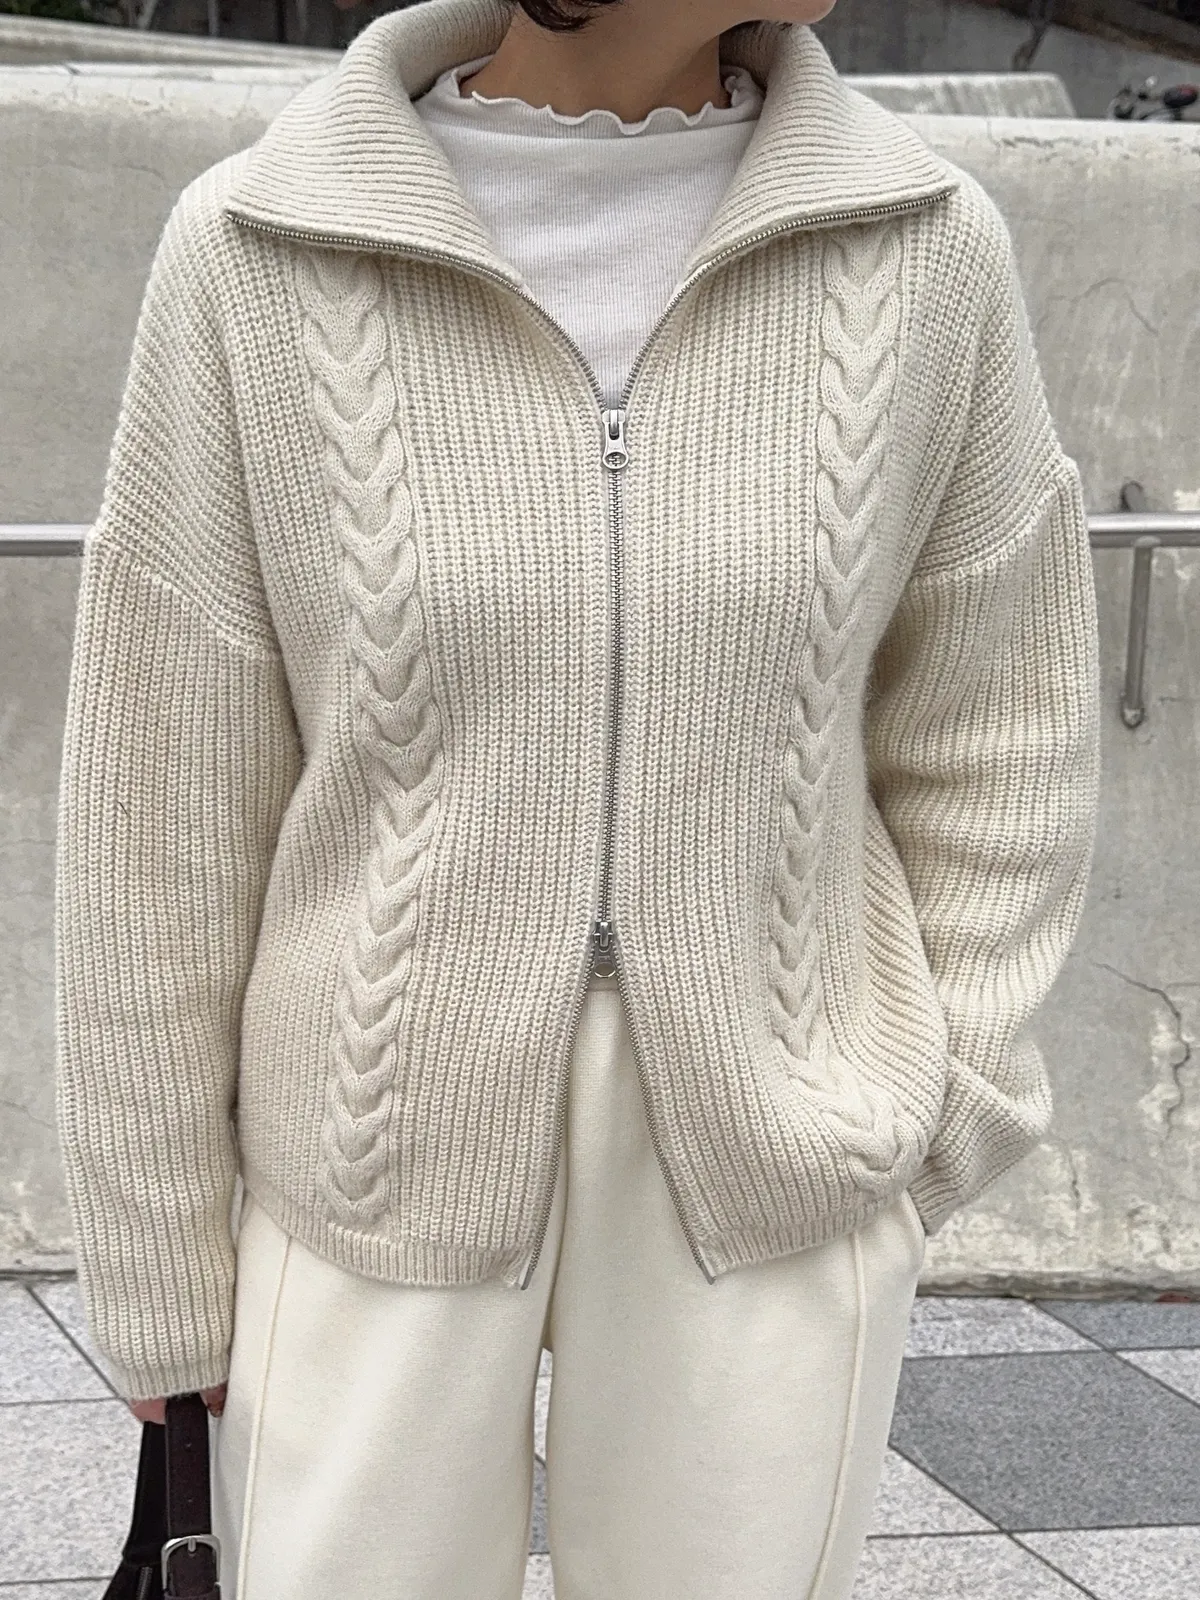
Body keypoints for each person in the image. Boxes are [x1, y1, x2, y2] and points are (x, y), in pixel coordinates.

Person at [53, 0, 1101, 1595]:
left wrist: (940, 1111)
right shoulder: (257, 245)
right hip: (367, 1147)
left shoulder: (926, 244)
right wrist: (155, 1248)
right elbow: (161, 809)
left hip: (777, 1147)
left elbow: (1001, 715)